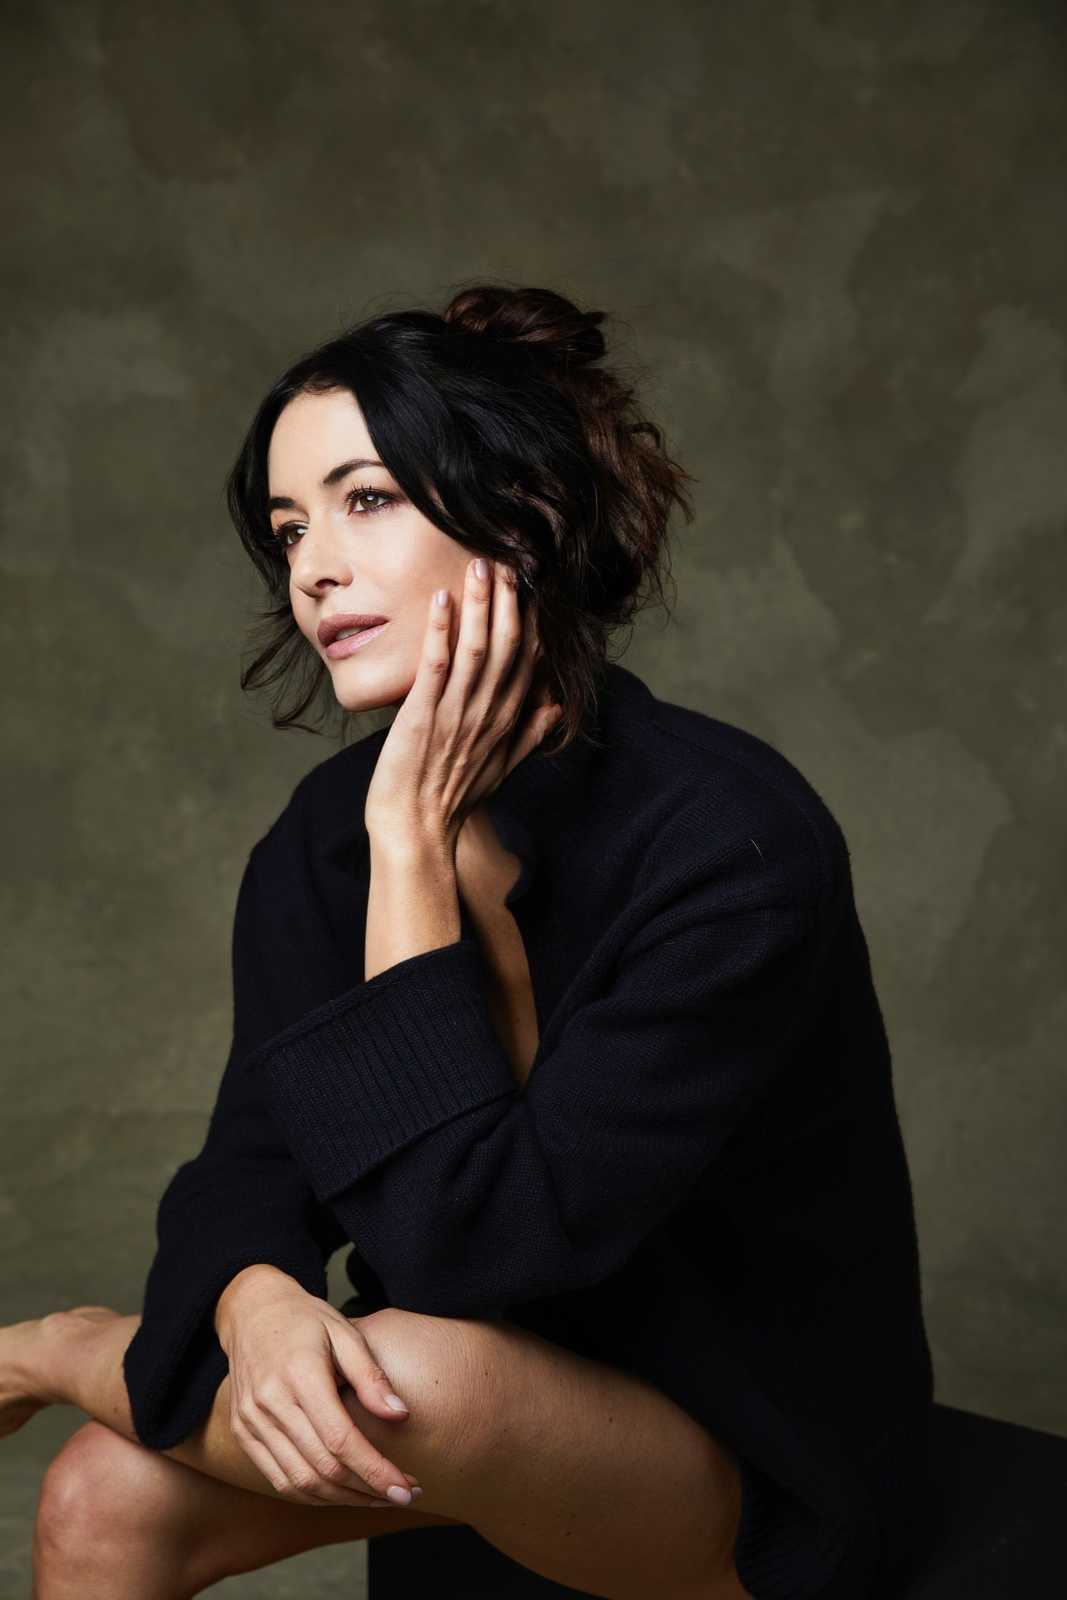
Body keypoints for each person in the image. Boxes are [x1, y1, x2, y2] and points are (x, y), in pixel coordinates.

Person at [0, 284, 934, 1600]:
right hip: (471, 1397)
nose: (313, 568)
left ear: (525, 517)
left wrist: (410, 849)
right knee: (104, 1493)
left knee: (408, 1369)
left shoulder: (729, 844)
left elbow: (470, 1256)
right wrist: (257, 1300)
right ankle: (98, 1347)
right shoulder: (320, 841)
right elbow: (247, 1165)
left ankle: (61, 1351)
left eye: (367, 499)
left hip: (744, 1458)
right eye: (290, 527)